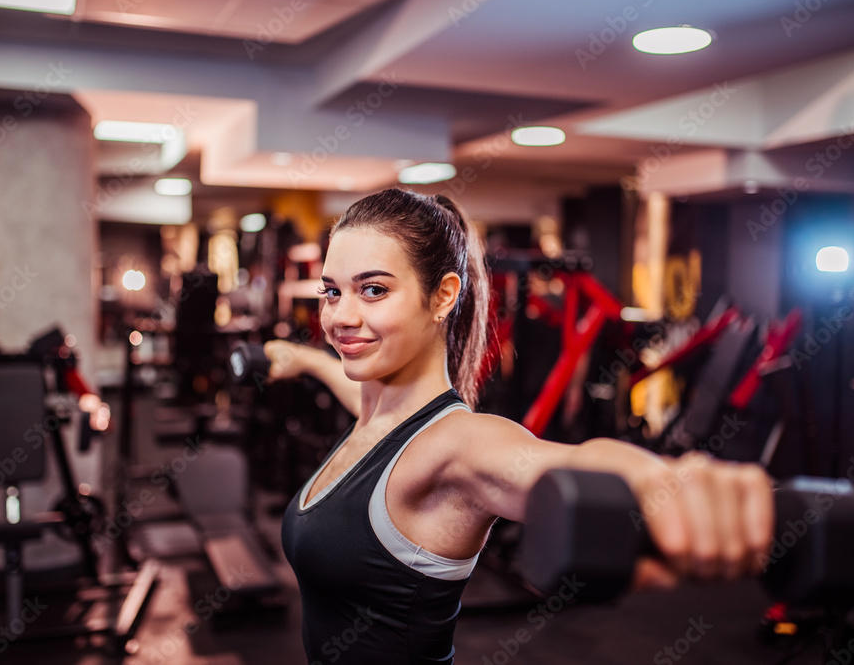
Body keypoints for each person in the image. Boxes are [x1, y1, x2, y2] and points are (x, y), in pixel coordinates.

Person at [271, 188, 773, 665]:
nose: (341, 316)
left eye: (373, 290)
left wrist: (657, 482)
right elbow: (349, 385)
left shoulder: (455, 444)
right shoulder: (376, 412)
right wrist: (303, 359)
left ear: (444, 296)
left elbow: (566, 464)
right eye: (332, 292)